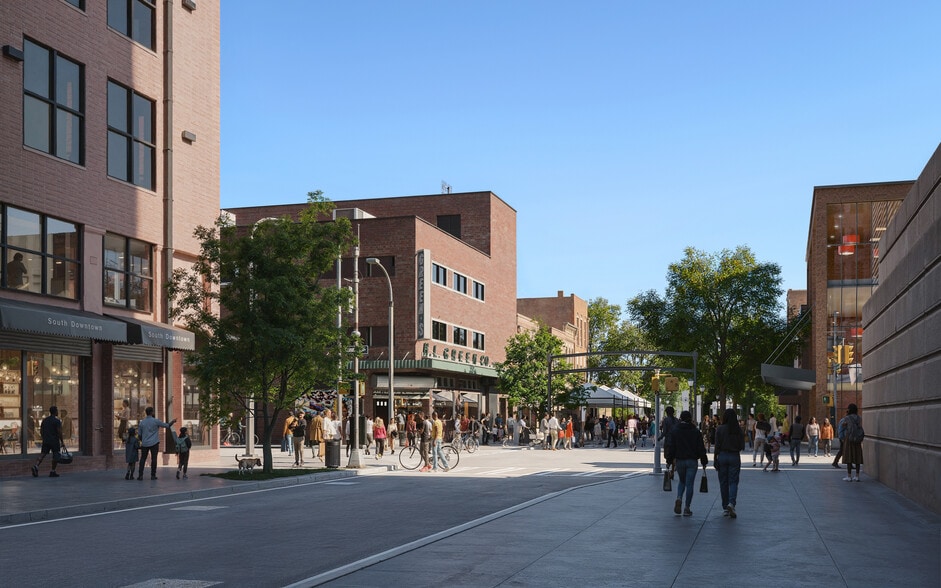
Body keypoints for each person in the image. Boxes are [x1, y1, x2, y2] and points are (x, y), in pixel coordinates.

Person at [666, 410, 708, 516]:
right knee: (690, 484)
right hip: (692, 461)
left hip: (680, 460)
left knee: (682, 481)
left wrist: (669, 460)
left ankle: (679, 497)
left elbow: (672, 447)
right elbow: (701, 448)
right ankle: (687, 508)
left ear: (681, 418)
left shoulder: (676, 431)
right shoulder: (695, 431)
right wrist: (704, 461)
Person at [714, 408, 746, 518]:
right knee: (733, 481)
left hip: (722, 456)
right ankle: (731, 503)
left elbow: (717, 445)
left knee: (723, 482)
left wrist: (715, 458)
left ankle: (725, 507)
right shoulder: (738, 429)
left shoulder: (720, 429)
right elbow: (742, 446)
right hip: (734, 456)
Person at [137, 406, 176, 480]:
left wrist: (143, 440)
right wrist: (173, 421)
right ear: (151, 412)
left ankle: (140, 475)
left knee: (143, 459)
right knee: (154, 459)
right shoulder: (156, 421)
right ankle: (153, 475)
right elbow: (167, 425)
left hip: (145, 443)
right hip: (154, 443)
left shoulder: (142, 422)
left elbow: (139, 435)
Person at [31, 406, 65, 478]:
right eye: (57, 411)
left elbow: (41, 431)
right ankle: (53, 471)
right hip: (54, 441)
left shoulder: (45, 420)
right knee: (55, 456)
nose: (58, 412)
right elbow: (59, 432)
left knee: (43, 454)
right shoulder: (57, 421)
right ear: (55, 412)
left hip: (46, 440)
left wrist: (44, 437)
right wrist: (62, 441)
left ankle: (36, 466)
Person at [842, 403, 864, 482]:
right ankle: (857, 476)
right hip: (857, 439)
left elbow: (843, 426)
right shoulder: (859, 418)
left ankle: (849, 476)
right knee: (857, 457)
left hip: (849, 439)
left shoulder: (847, 418)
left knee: (849, 457)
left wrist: (846, 414)